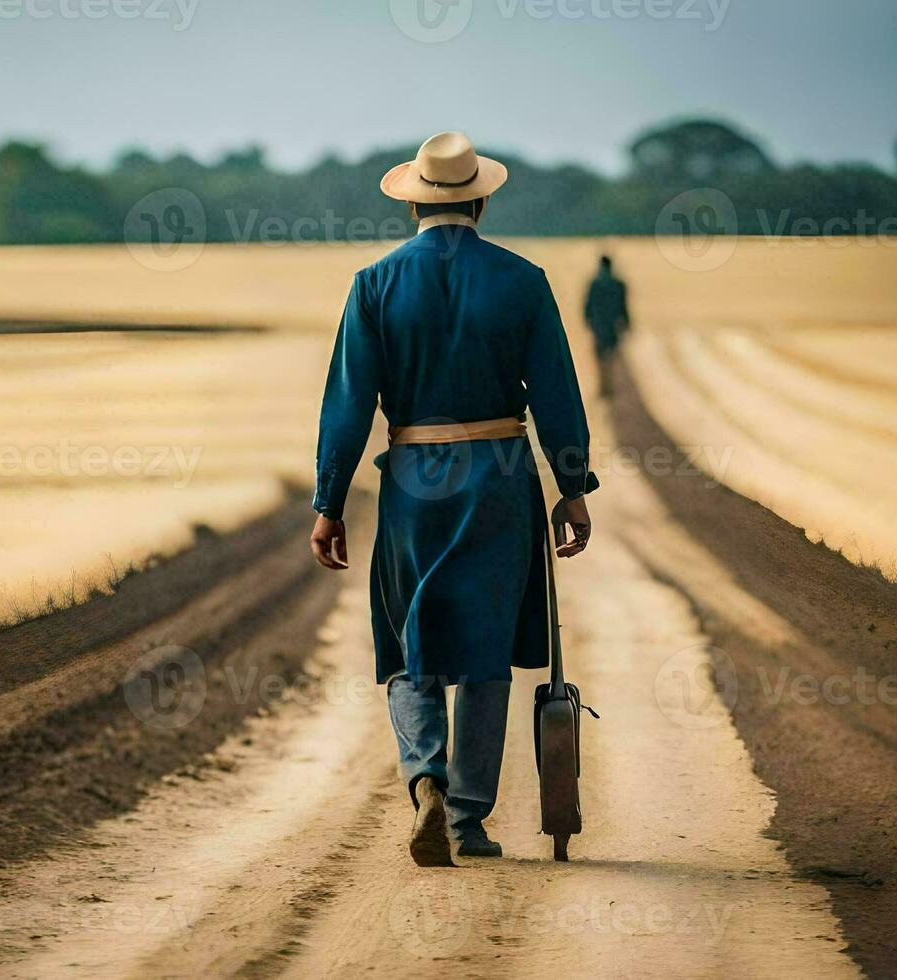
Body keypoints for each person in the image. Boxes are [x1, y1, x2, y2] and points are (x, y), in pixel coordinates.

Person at [308, 132, 597, 866]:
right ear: (482, 198)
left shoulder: (374, 284)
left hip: (412, 478)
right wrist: (572, 487)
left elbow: (348, 403)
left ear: (412, 204)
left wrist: (329, 501)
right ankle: (467, 818)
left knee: (412, 642)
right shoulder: (523, 280)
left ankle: (425, 779)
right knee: (485, 651)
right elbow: (558, 393)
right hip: (500, 477)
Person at [584, 254, 630, 397]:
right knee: (609, 357)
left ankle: (604, 386)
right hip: (611, 326)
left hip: (600, 326)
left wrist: (588, 321)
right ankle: (607, 386)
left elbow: (588, 307)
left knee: (601, 357)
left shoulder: (595, 284)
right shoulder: (618, 284)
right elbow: (623, 307)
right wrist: (626, 322)